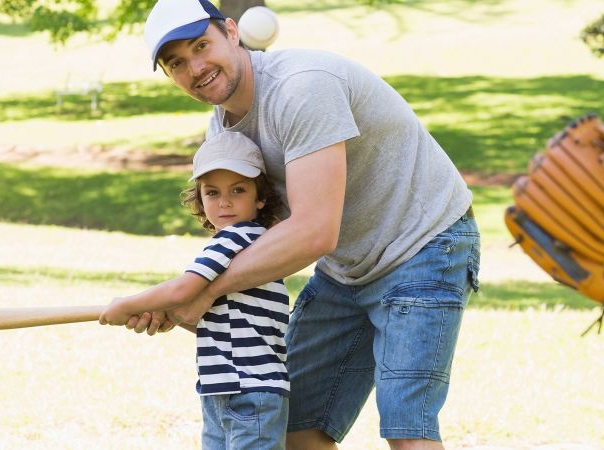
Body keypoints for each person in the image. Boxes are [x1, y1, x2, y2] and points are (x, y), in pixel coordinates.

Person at [129, 0, 480, 449]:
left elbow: (314, 232)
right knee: (295, 426)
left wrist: (201, 289)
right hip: (346, 268)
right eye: (177, 62)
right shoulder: (223, 136)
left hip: (425, 246)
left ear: (231, 32)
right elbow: (253, 240)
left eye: (202, 45)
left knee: (406, 427)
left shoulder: (302, 87)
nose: (196, 68)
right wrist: (188, 297)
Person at [99, 131, 291, 450]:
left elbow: (183, 290)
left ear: (261, 197)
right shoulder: (253, 243)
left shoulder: (236, 239)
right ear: (199, 199)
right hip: (227, 388)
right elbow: (225, 320)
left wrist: (125, 305)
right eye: (212, 192)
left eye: (238, 190)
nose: (224, 202)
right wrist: (168, 316)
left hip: (247, 389)